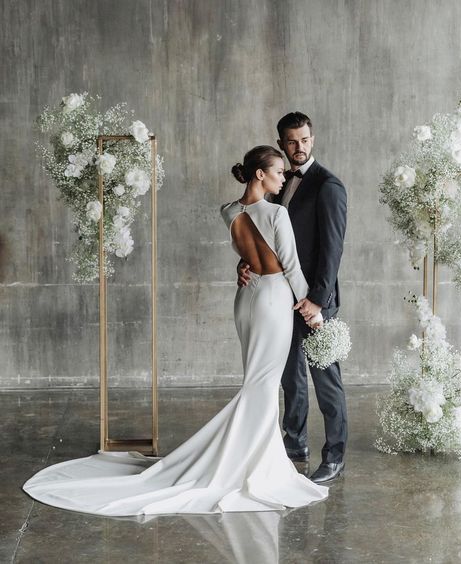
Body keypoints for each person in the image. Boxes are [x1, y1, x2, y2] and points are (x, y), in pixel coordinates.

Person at [22, 145, 328, 516]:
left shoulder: (228, 211)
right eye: (278, 171)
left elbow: (247, 255)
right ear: (260, 174)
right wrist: (313, 311)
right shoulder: (277, 213)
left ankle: (251, 459)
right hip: (274, 298)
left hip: (246, 300)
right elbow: (291, 267)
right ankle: (249, 468)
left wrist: (242, 267)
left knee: (255, 382)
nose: (284, 177)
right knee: (262, 385)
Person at [238, 112, 348, 483]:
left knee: (325, 380)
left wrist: (317, 299)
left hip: (315, 299)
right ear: (281, 143)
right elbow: (270, 238)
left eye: (303, 140)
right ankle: (294, 443)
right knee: (290, 378)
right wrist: (248, 263)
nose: (298, 148)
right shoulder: (278, 181)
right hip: (281, 299)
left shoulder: (328, 185)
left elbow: (332, 250)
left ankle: (334, 456)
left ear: (312, 140)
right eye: (290, 141)